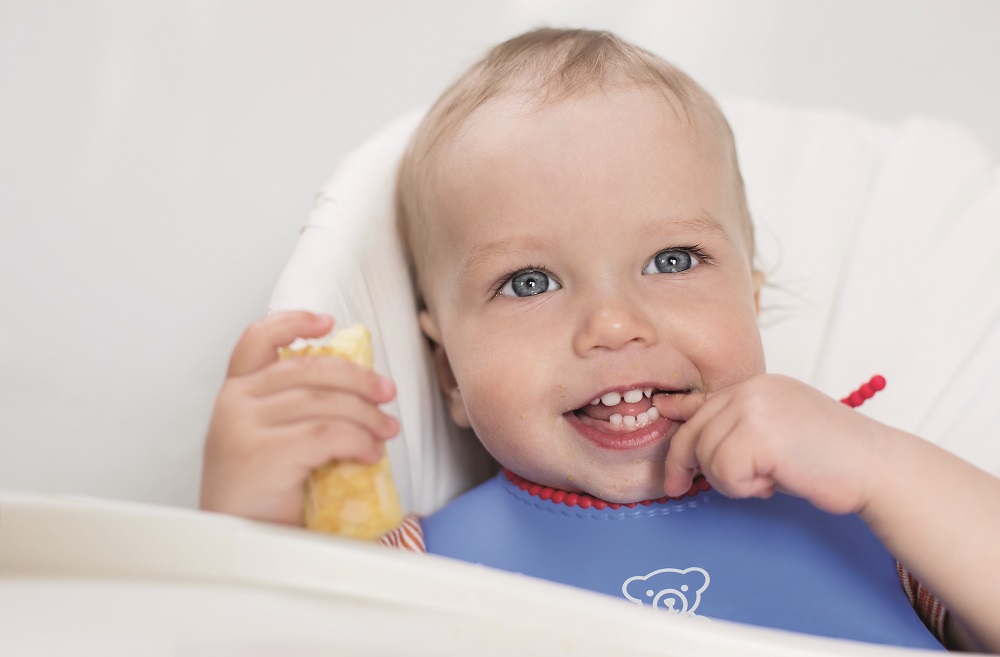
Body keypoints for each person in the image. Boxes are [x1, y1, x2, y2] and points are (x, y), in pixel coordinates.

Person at [201, 28, 1000, 652]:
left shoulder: (882, 521)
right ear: (447, 371)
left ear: (752, 304)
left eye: (673, 260)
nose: (614, 324)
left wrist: (881, 464)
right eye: (529, 281)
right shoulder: (416, 564)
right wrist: (244, 524)